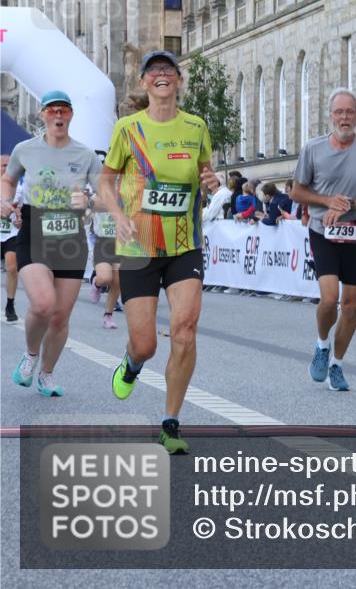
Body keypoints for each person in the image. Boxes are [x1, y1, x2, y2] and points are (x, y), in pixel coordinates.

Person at [100, 50, 221, 454]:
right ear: (144, 83)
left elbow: (205, 176)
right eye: (154, 70)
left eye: (169, 69)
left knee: (185, 331)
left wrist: (209, 182)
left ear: (179, 81)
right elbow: (106, 182)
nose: (162, 75)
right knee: (146, 344)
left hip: (185, 243)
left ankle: (170, 422)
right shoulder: (127, 129)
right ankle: (133, 364)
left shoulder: (197, 127)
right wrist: (117, 214)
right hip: (137, 244)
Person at [2, 90, 102, 397]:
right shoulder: (25, 149)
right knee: (43, 304)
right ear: (43, 115)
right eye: (52, 110)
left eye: (64, 111)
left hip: (71, 234)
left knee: (60, 317)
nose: (58, 116)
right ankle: (31, 355)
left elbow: (103, 196)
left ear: (71, 115)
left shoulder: (85, 155)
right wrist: (5, 200)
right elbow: (8, 178)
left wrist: (88, 199)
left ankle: (46, 374)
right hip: (34, 229)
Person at [290, 88, 356, 393]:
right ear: (330, 115)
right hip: (323, 230)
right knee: (330, 298)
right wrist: (327, 202)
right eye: (339, 112)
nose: (344, 118)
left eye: (349, 112)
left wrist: (348, 206)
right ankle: (322, 345)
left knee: (350, 306)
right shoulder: (313, 148)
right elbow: (296, 192)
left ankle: (337, 364)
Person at [90, 206, 122, 329]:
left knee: (117, 281)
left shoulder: (127, 194)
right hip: (103, 243)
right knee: (105, 278)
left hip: (121, 244)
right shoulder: (99, 195)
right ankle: (97, 284)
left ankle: (108, 316)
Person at [1, 154, 22, 322]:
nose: (6, 168)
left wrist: (20, 221)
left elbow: (22, 213)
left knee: (12, 267)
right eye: (3, 165)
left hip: (11, 234)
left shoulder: (19, 189)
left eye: (9, 165)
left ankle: (10, 304)